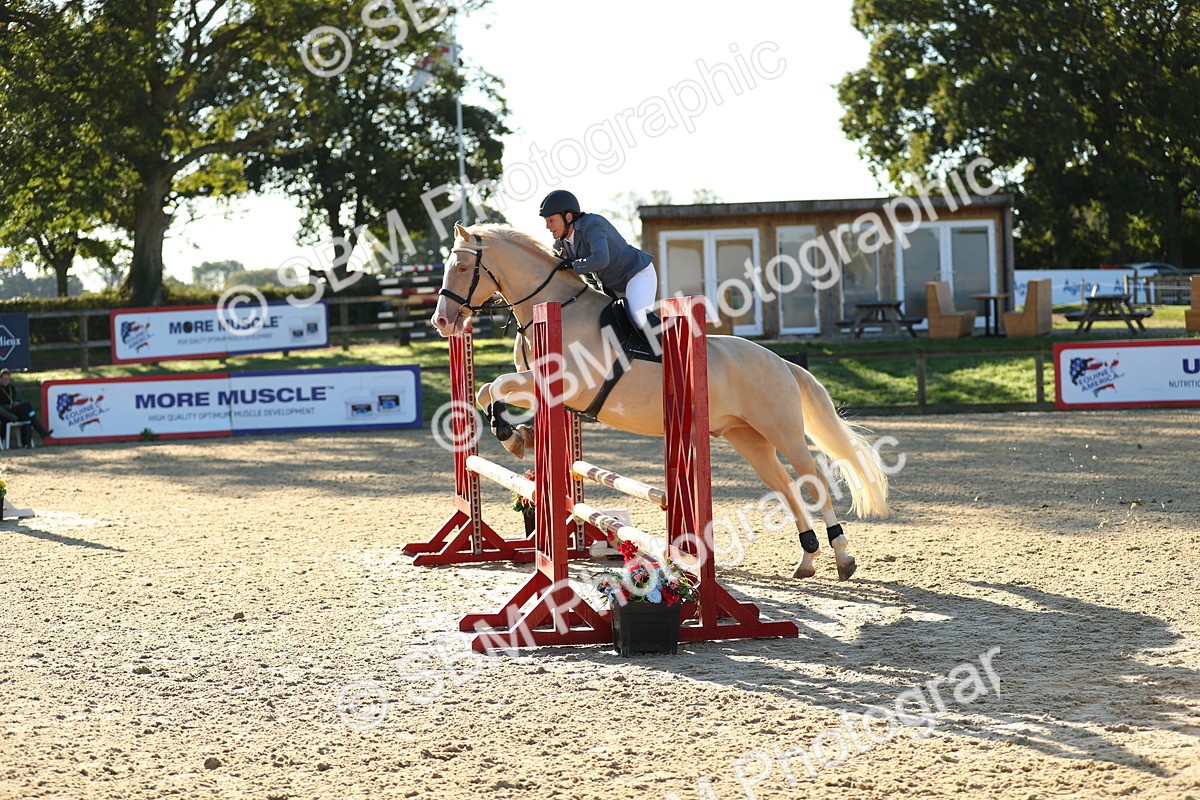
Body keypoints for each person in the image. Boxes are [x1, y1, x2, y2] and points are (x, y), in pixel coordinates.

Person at [539, 190, 659, 331]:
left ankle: (672, 347)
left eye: (551, 220)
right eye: (546, 221)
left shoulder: (593, 224)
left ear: (569, 217)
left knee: (639, 318)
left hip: (637, 274)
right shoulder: (562, 243)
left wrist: (572, 264)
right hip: (613, 287)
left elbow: (601, 260)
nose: (547, 226)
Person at [0, 368, 52, 448]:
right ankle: (40, 433)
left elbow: (16, 398)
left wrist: (16, 402)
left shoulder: (11, 387)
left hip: (15, 410)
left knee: (27, 416)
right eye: (4, 379)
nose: (6, 381)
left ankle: (28, 443)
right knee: (27, 407)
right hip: (5, 413)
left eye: (8, 379)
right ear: (0, 379)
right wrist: (9, 406)